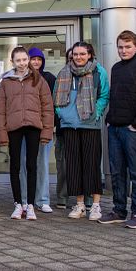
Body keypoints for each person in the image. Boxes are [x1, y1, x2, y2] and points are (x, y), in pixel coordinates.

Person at [97, 31, 136, 229]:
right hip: (115, 128)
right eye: (121, 47)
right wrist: (109, 120)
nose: (124, 50)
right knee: (117, 172)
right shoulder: (116, 68)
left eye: (128, 46)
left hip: (134, 130)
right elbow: (115, 97)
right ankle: (119, 210)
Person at [0, 46, 54, 221]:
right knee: (15, 166)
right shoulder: (6, 81)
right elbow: (1, 109)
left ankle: (31, 206)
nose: (22, 63)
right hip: (14, 127)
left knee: (32, 166)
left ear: (28, 60)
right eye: (18, 60)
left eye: (24, 60)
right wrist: (2, 134)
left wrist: (47, 131)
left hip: (34, 127)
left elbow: (47, 107)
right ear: (12, 62)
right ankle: (18, 204)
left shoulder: (38, 79)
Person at [53, 41, 109, 221]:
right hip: (70, 126)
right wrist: (63, 115)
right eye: (75, 54)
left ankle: (95, 205)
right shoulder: (64, 72)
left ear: (90, 55)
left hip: (90, 124)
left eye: (82, 54)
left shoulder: (99, 71)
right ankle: (79, 205)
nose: (78, 57)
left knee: (92, 164)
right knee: (74, 166)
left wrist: (96, 113)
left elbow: (104, 95)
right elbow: (56, 98)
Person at [17, 47, 58, 214]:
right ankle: (26, 200)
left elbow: (50, 106)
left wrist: (49, 127)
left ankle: (42, 200)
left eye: (39, 59)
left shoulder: (48, 78)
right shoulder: (18, 78)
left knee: (41, 165)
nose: (35, 62)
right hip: (23, 128)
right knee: (24, 165)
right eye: (32, 59)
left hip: (42, 128)